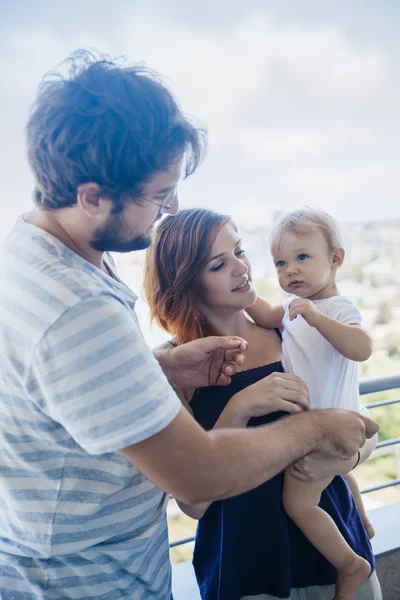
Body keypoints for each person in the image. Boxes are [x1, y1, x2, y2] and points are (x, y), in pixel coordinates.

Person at [0, 51, 378, 600]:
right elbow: (197, 482)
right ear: (91, 198)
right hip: (84, 583)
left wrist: (153, 366)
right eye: (157, 195)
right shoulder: (75, 305)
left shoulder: (37, 256)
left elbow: (59, 380)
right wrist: (318, 428)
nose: (172, 205)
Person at [144, 207, 382, 600]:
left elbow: (356, 420)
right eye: (220, 264)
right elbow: (193, 505)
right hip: (247, 568)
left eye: (239, 251)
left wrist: (351, 459)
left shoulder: (292, 328)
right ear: (186, 283)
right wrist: (240, 406)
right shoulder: (178, 369)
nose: (242, 268)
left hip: (334, 554)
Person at [246, 207, 376, 600]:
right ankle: (364, 521)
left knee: (297, 502)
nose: (291, 271)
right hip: (322, 421)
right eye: (281, 263)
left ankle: (350, 564)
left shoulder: (337, 308)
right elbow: (265, 312)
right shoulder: (290, 308)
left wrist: (319, 319)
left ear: (335, 259)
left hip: (332, 422)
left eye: (302, 257)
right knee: (338, 474)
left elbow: (363, 348)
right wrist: (244, 288)